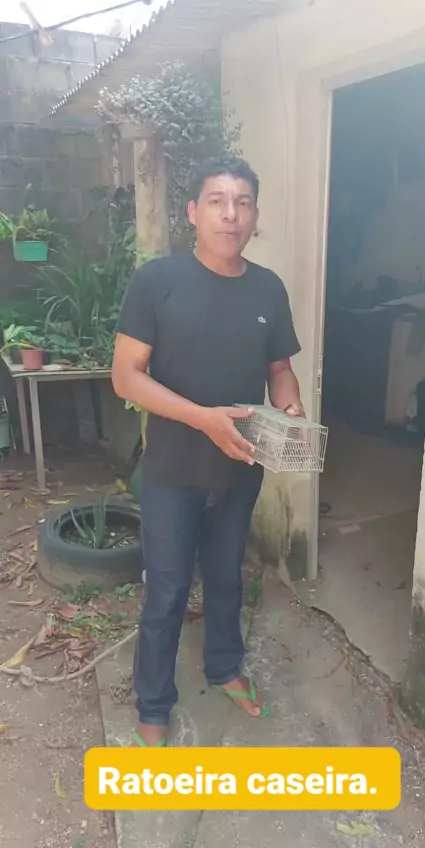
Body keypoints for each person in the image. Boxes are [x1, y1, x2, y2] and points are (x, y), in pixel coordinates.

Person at [112, 154, 304, 747]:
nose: (230, 214)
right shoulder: (157, 282)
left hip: (240, 467)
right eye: (217, 201)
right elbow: (126, 376)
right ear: (194, 212)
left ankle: (224, 666)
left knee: (226, 576)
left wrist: (290, 409)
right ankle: (153, 701)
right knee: (167, 589)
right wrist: (202, 418)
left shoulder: (268, 288)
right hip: (171, 471)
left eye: (242, 203)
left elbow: (279, 368)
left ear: (255, 216)